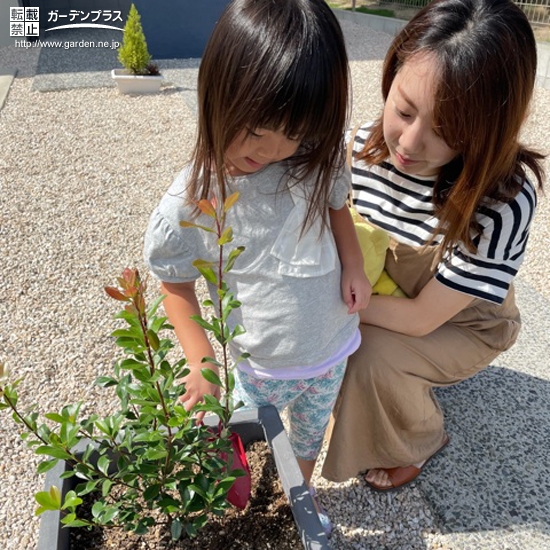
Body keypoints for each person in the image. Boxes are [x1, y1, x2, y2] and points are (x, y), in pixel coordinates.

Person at [143, 0, 371, 532]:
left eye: (292, 133)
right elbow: (174, 280)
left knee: (308, 439)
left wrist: (354, 265)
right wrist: (202, 360)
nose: (270, 150)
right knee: (238, 436)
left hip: (330, 346)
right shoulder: (196, 197)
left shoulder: (315, 156)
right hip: (259, 363)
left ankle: (300, 494)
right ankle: (237, 505)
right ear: (218, 87)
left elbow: (338, 207)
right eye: (257, 129)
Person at [322, 0, 546, 492]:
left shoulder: (503, 197)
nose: (409, 142)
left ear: (490, 130)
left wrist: (325, 308)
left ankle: (420, 438)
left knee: (367, 356)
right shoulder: (360, 146)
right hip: (383, 293)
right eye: (403, 109)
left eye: (446, 131)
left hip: (463, 321)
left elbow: (424, 317)